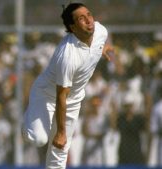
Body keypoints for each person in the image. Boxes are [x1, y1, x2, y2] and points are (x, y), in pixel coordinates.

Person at [22, 3, 113, 169]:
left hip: (73, 99)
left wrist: (102, 49)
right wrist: (61, 132)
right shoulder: (67, 55)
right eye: (81, 18)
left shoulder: (101, 31)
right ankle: (27, 123)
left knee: (59, 152)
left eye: (89, 14)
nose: (88, 20)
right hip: (47, 95)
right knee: (39, 139)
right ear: (72, 27)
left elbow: (96, 44)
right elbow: (61, 95)